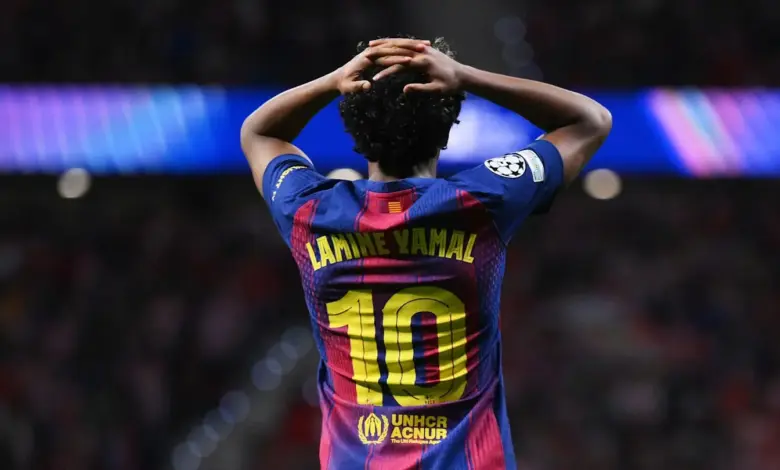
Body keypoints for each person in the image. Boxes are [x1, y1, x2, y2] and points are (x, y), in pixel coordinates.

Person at [241, 37, 611, 470]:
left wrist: (334, 82)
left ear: (354, 126)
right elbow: (590, 120)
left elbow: (258, 132)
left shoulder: (309, 210)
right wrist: (467, 78)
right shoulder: (481, 202)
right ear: (448, 125)